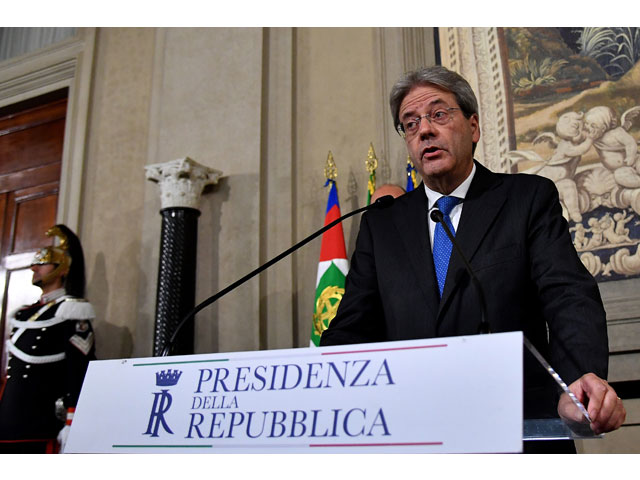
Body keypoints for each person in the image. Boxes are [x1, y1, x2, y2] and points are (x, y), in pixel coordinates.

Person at [320, 66, 626, 452]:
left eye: (438, 114)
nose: (424, 131)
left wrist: (579, 378)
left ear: (474, 127)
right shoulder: (382, 226)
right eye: (410, 124)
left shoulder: (526, 199)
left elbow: (567, 294)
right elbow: (351, 328)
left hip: (517, 427)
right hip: (415, 433)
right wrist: (318, 387)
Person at [0, 225, 96, 453]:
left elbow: (78, 368)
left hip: (41, 418)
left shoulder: (71, 311)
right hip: (10, 416)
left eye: (42, 263)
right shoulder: (24, 313)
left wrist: (72, 419)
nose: (35, 268)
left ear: (62, 268)